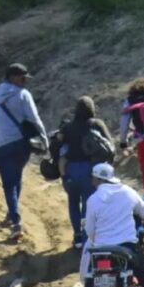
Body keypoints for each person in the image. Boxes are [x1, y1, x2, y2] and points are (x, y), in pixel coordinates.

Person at [0, 63, 48, 242]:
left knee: (9, 183)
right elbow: (34, 118)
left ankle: (15, 221)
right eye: (23, 77)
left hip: (2, 145)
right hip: (22, 143)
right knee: (16, 177)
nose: (25, 81)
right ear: (13, 77)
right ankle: (12, 213)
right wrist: (44, 139)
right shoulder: (23, 95)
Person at [56, 97, 113, 249]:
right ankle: (87, 236)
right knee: (88, 205)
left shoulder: (68, 127)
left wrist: (62, 175)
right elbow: (110, 145)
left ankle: (77, 236)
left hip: (70, 169)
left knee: (73, 203)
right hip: (91, 170)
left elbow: (57, 143)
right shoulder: (97, 124)